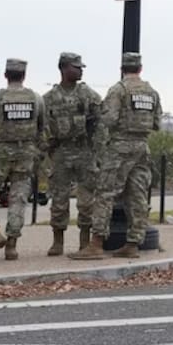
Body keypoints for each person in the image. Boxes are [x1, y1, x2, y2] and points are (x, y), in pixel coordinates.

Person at [71, 52, 162, 260]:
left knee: (105, 193)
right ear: (140, 69)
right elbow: (157, 123)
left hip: (120, 148)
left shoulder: (118, 90)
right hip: (142, 148)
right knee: (137, 195)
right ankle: (133, 242)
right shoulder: (151, 92)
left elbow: (109, 120)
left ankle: (96, 243)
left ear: (123, 69)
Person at [0, 58, 45, 261]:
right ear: (24, 76)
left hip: (1, 152)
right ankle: (12, 245)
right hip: (26, 153)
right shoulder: (36, 99)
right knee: (18, 199)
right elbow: (42, 129)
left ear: (6, 75)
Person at [42, 51, 105, 256]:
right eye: (76, 67)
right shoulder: (49, 98)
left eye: (80, 68)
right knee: (59, 198)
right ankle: (57, 240)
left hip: (84, 151)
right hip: (60, 151)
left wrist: (97, 149)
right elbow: (42, 127)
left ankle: (84, 241)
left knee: (87, 199)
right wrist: (48, 149)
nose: (80, 71)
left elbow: (101, 122)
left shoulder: (88, 95)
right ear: (63, 68)